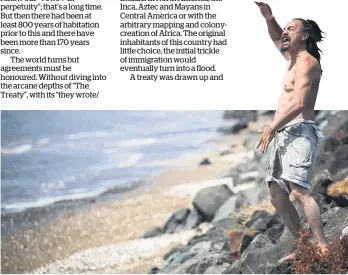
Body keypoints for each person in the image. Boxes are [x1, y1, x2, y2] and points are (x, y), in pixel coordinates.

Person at [254, 1, 329, 263]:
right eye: (285, 29)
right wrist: (269, 18)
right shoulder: (291, 58)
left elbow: (298, 103)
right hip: (283, 134)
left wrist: (270, 126)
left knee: (299, 191)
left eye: (291, 28)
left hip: (298, 131)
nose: (285, 32)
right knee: (276, 193)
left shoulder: (308, 62)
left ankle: (322, 246)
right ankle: (303, 244)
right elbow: (277, 38)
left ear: (304, 35)